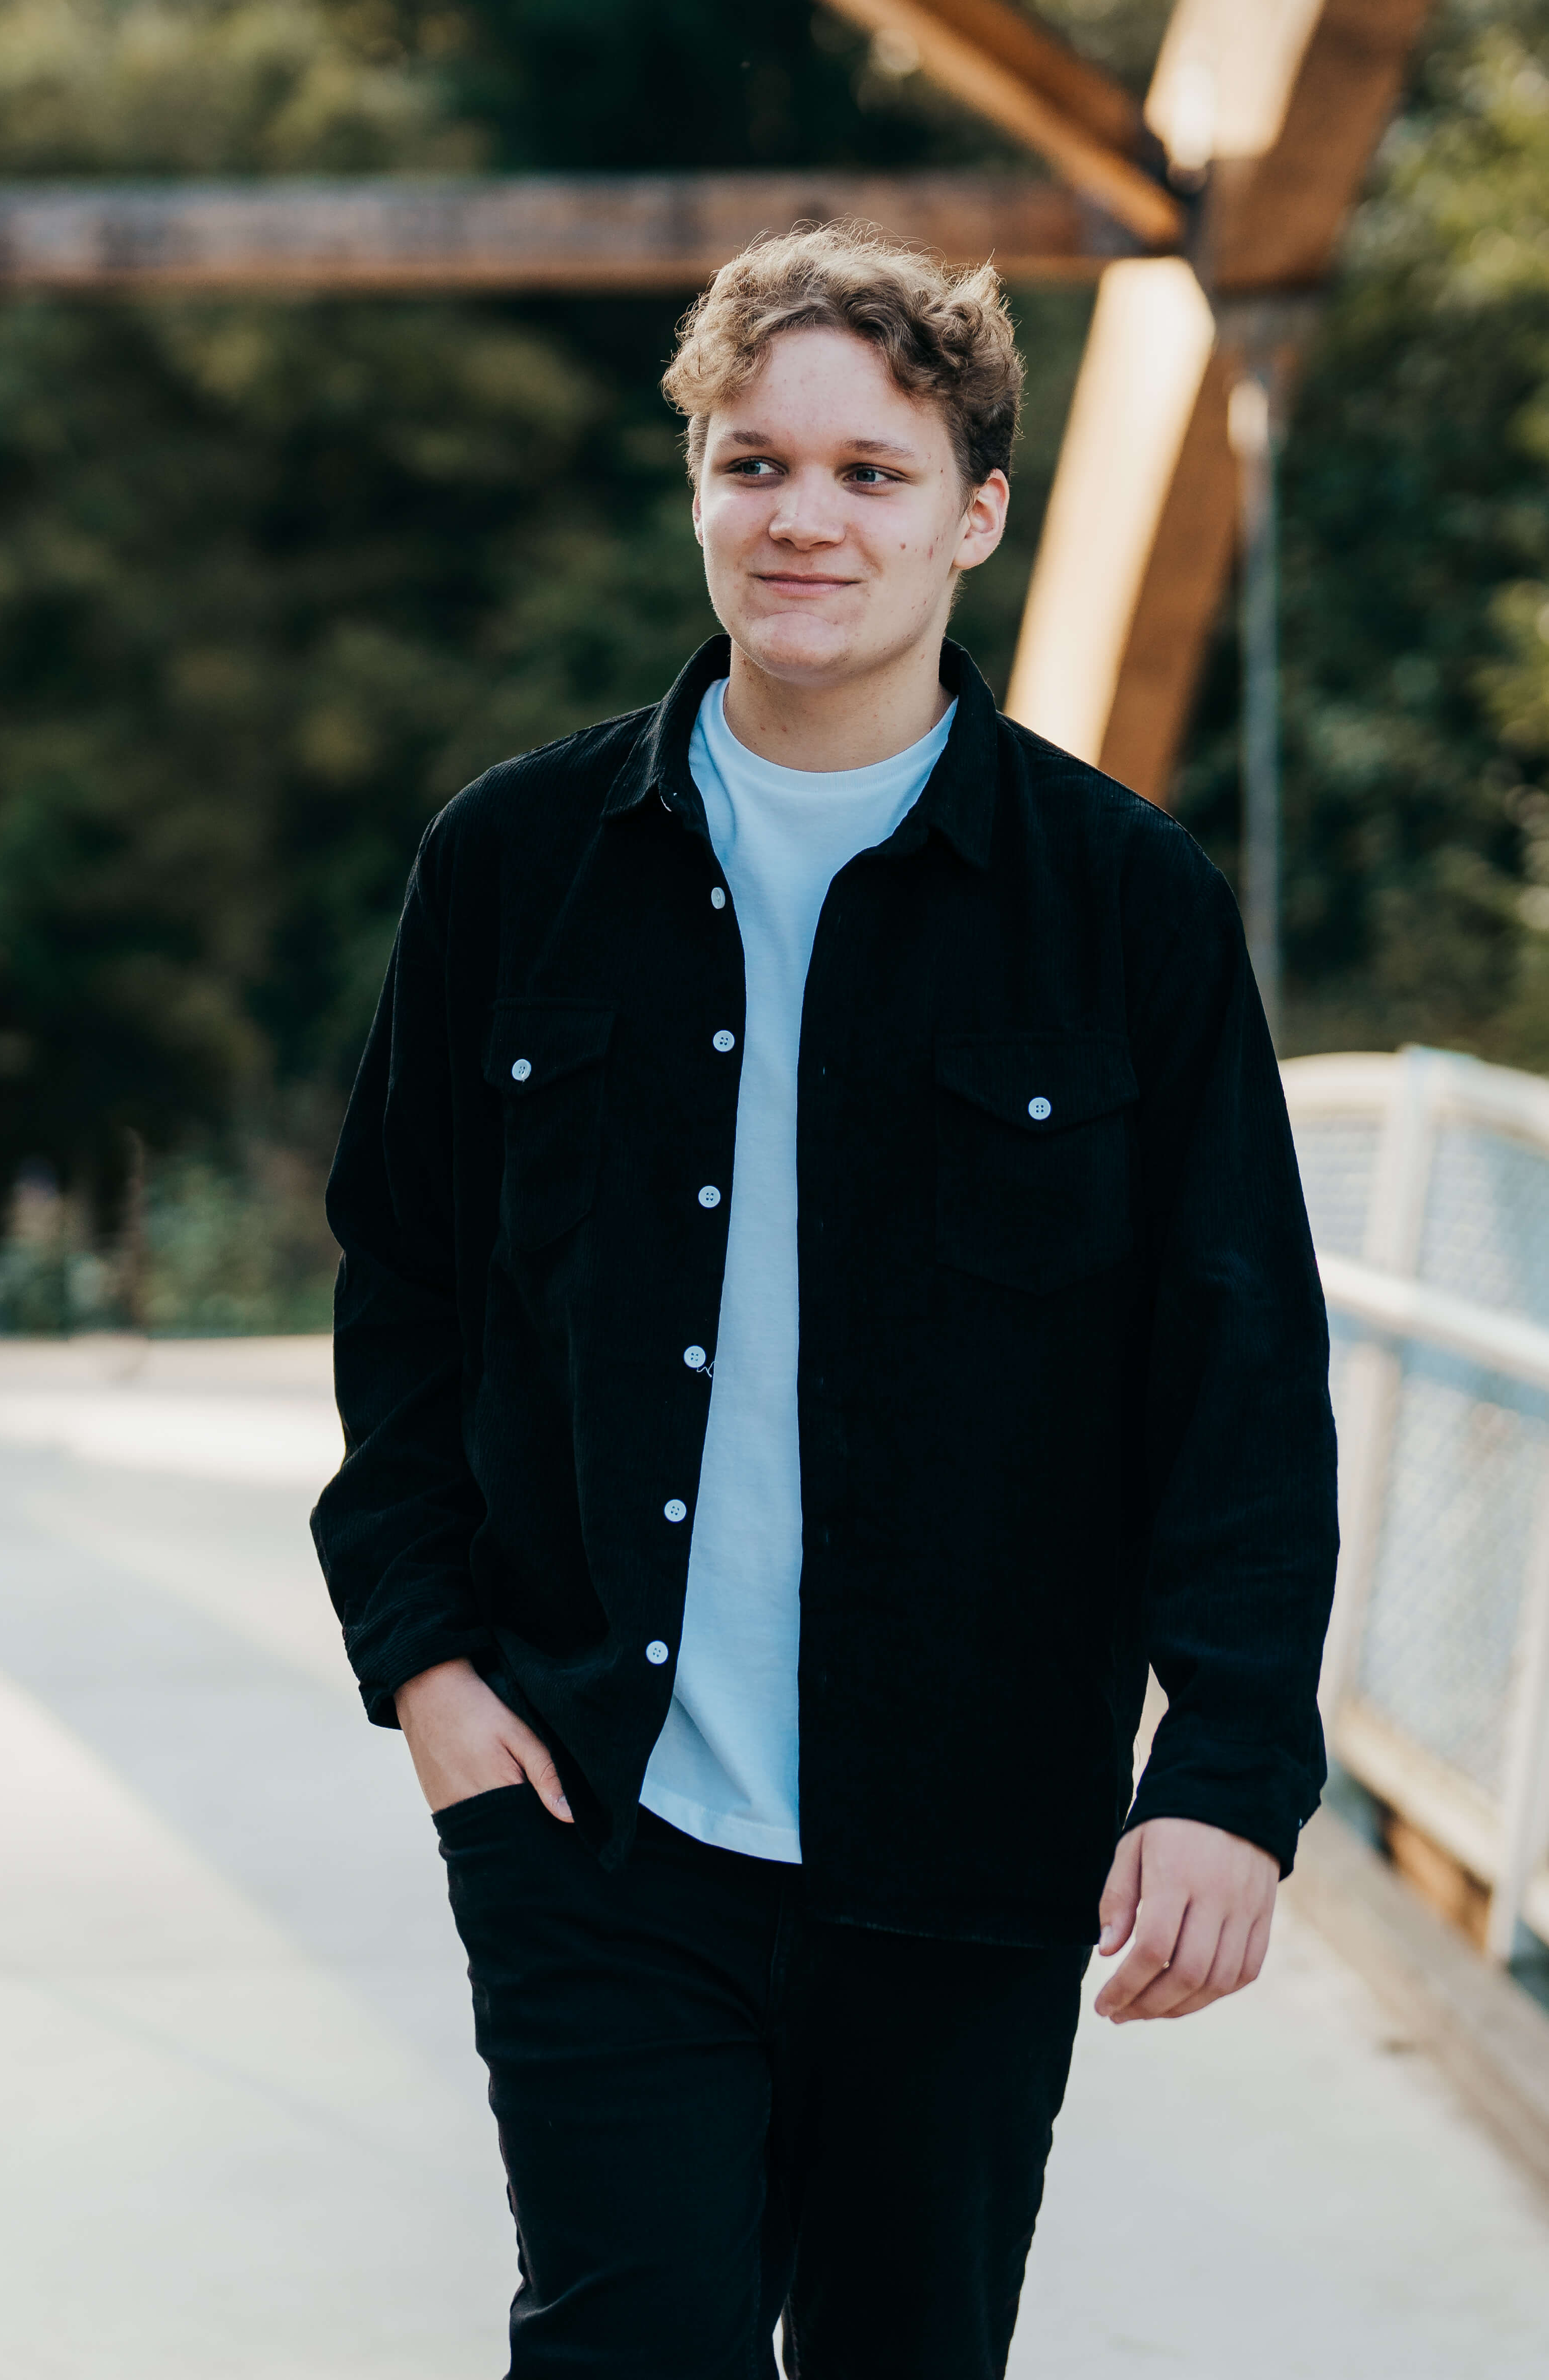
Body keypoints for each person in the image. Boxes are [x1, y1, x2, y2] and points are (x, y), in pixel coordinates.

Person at [311, 221, 1336, 2377]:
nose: (802, 517)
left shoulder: (1118, 906)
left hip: (963, 1837)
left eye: (869, 473)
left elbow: (1230, 1364)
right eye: (751, 461)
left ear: (973, 516)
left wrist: (1226, 1767)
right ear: (694, 485)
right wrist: (422, 1669)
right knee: (629, 2346)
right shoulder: (513, 866)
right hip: (596, 1813)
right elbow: (402, 1286)